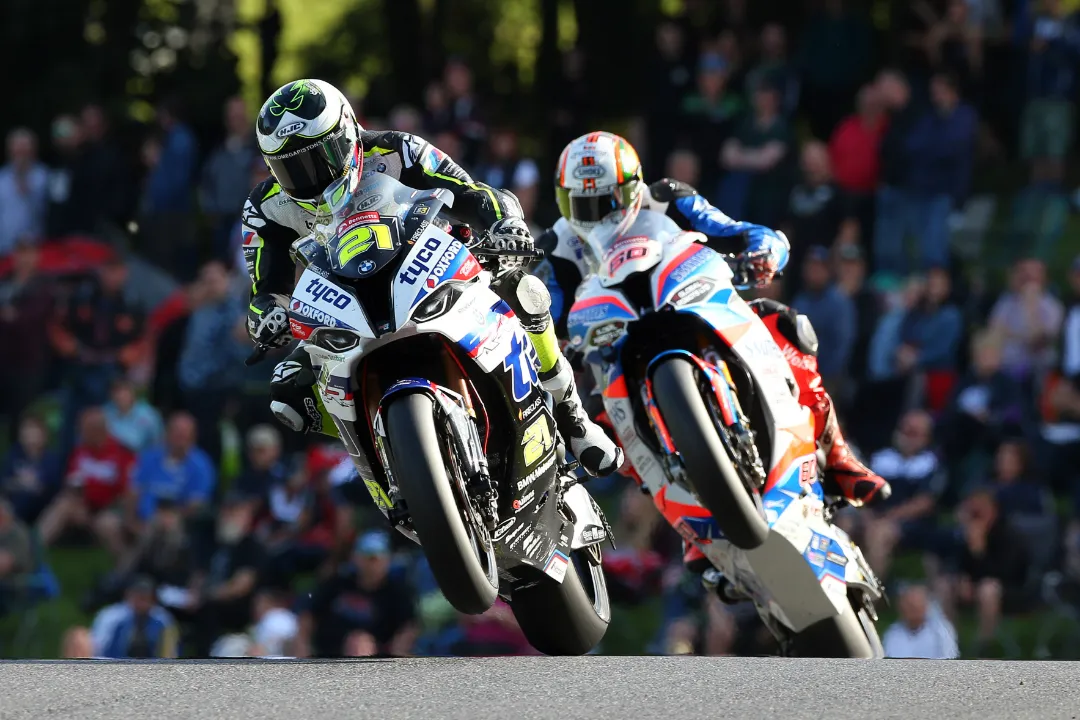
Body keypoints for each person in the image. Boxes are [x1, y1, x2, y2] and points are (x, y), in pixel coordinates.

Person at [240, 79, 621, 478]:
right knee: (288, 392)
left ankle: (571, 416)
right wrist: (268, 315)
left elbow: (472, 192)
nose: (311, 176)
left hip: (428, 267)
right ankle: (384, 458)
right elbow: (265, 289)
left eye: (321, 156)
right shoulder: (264, 209)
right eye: (292, 167)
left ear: (349, 130)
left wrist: (504, 224)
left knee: (524, 289)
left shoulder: (397, 149)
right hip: (345, 306)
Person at [539, 131, 891, 528]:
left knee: (782, 323)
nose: (597, 215)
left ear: (633, 187)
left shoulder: (669, 198)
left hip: (687, 304)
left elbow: (731, 229)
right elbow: (542, 309)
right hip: (616, 351)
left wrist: (764, 249)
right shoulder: (556, 247)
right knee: (598, 430)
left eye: (607, 201)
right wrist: (557, 343)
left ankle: (839, 456)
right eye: (580, 204)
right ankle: (688, 527)